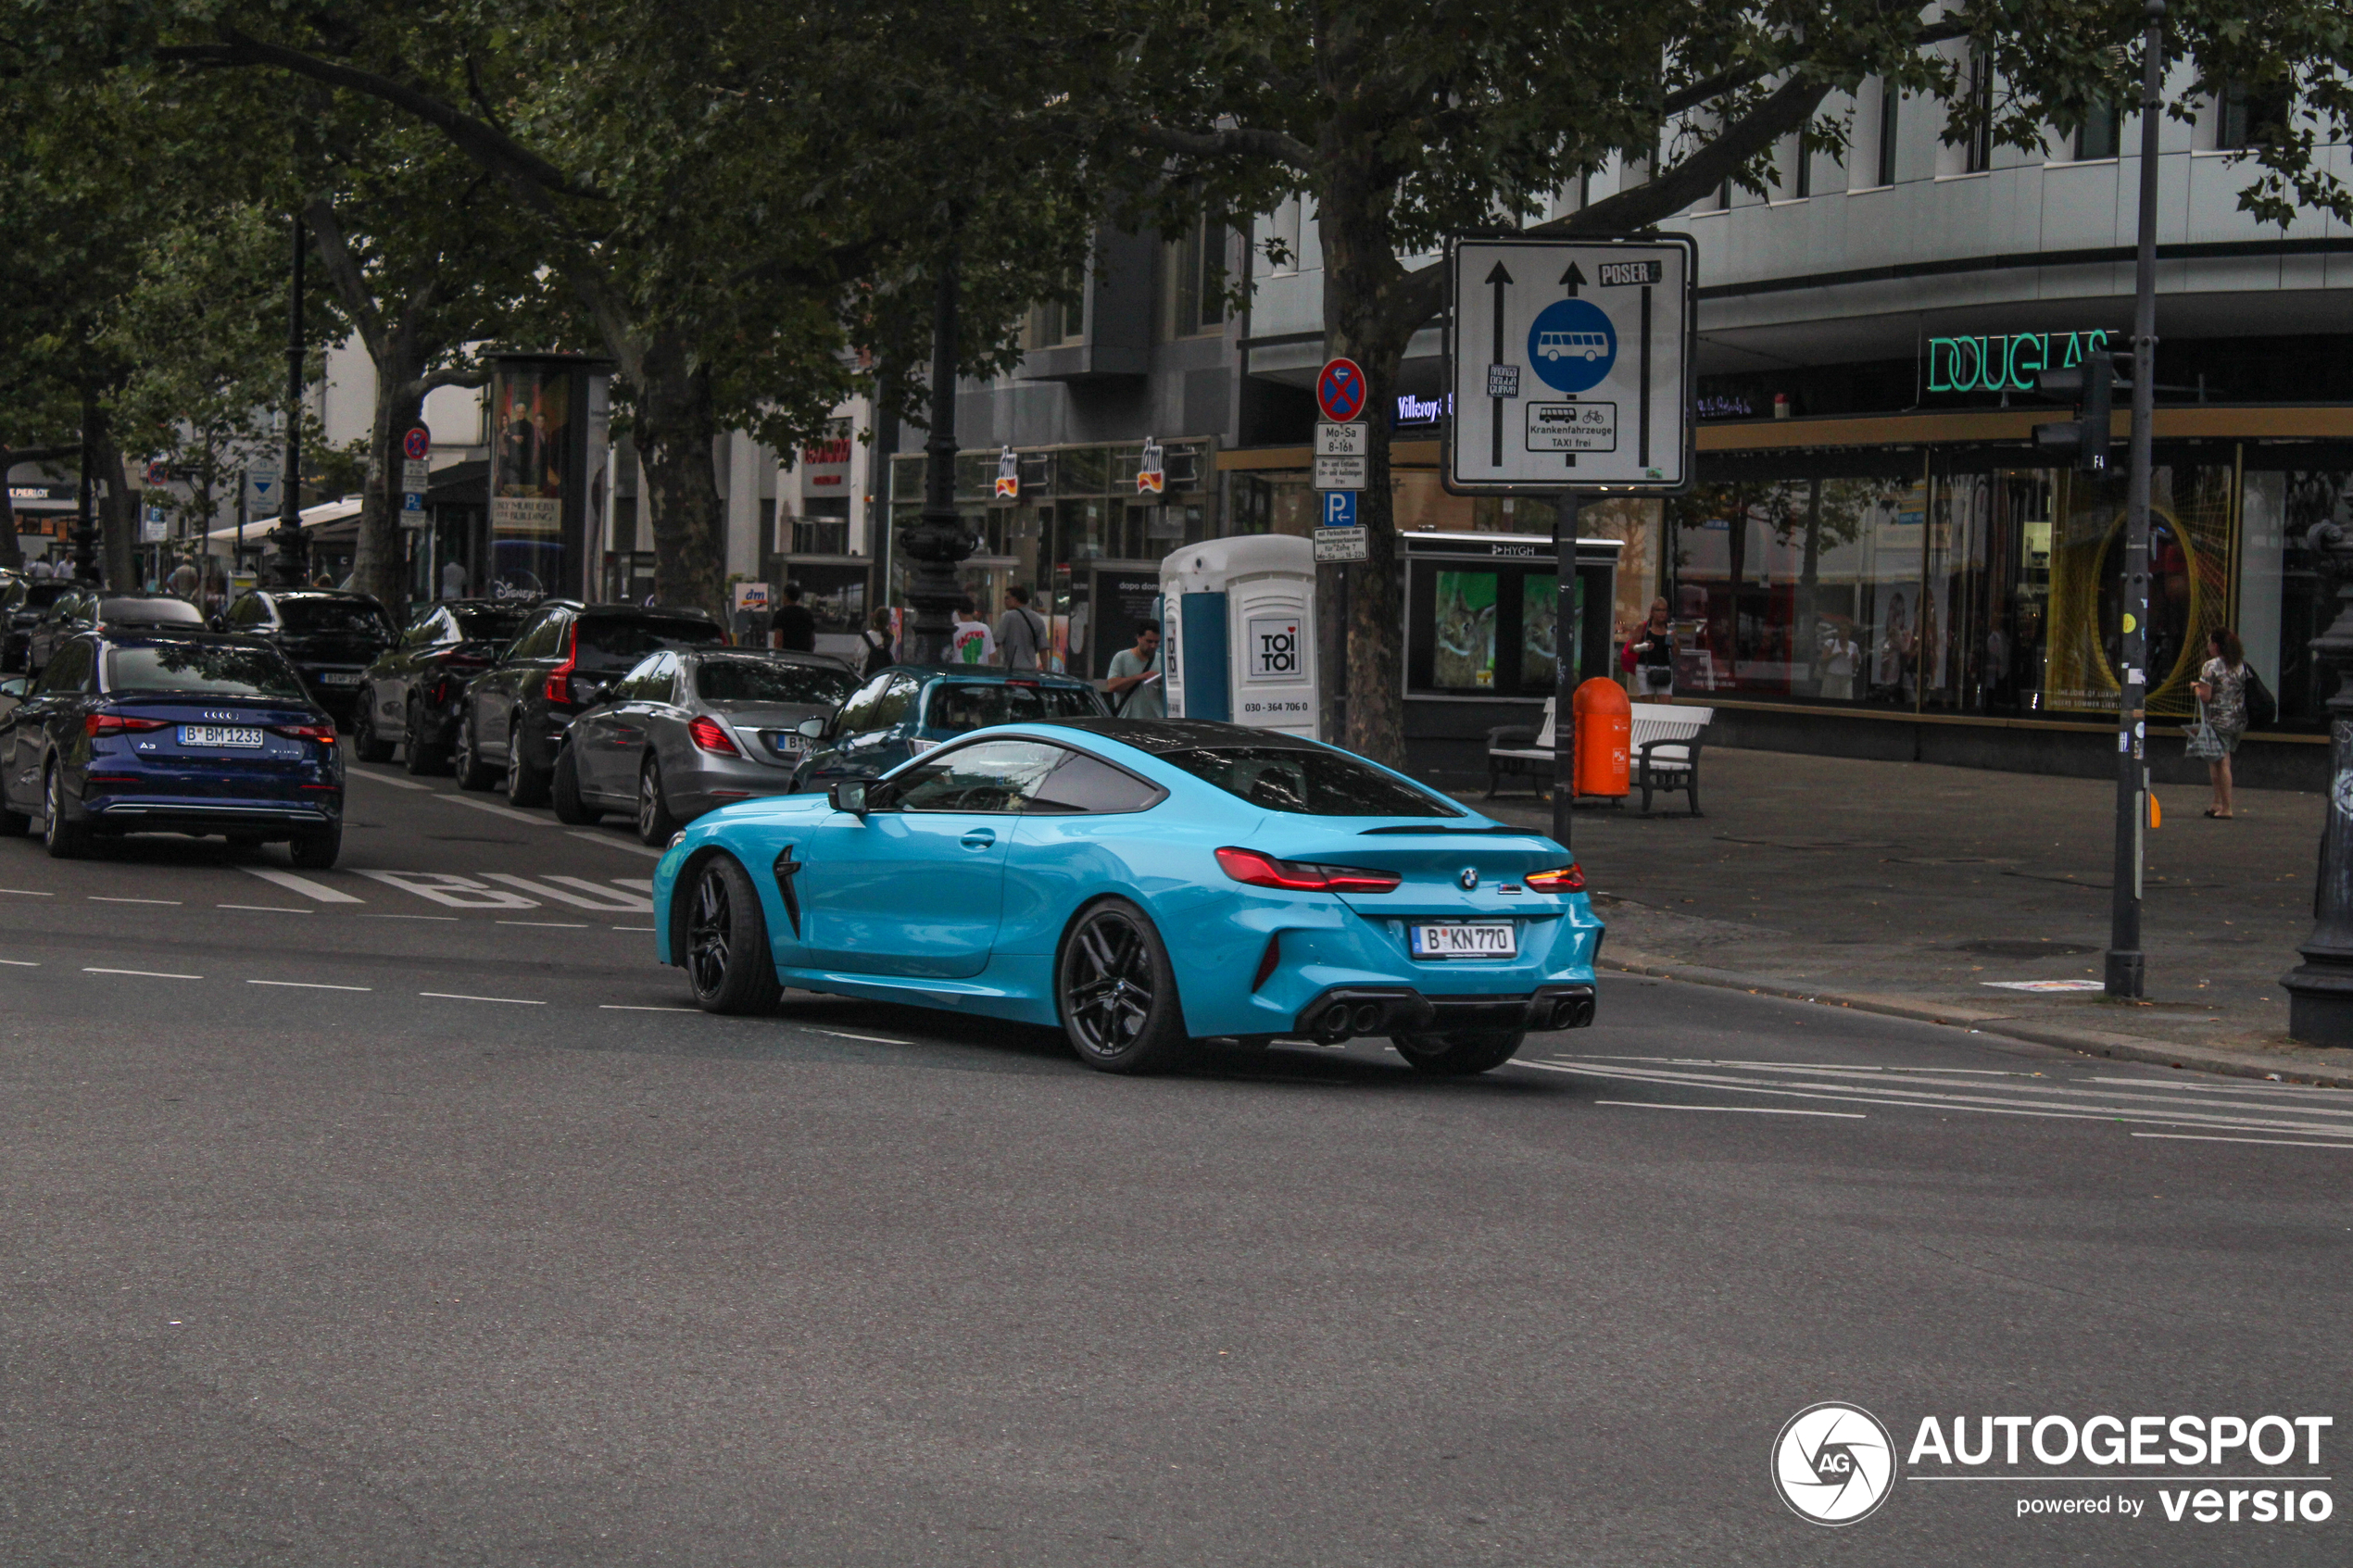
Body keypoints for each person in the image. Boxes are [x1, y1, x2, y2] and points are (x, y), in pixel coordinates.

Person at [2192, 626, 2250, 820]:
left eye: (2209, 642)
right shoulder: (2240, 664)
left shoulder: (2211, 666)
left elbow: (2206, 696)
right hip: (2238, 719)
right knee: (2216, 760)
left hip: (2218, 719)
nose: (2208, 646)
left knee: (2222, 761)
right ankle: (2217, 802)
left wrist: (2196, 689)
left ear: (2215, 645)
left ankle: (2226, 807)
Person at [1106, 623, 1164, 719]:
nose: (1153, 646)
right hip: (1127, 719)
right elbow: (1112, 686)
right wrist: (1141, 677)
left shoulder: (1162, 660)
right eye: (1149, 641)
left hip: (1155, 719)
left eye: (1156, 642)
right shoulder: (1122, 657)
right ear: (1139, 638)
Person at [1623, 597, 1675, 698]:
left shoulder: (1670, 628)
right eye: (1658, 610)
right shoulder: (1643, 627)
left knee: (1666, 704)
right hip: (1645, 668)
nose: (1662, 613)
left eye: (1664, 610)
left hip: (1664, 668)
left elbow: (1676, 653)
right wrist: (1643, 647)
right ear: (1652, 612)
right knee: (1648, 703)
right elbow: (1631, 648)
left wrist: (1674, 641)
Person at [995, 584, 1050, 671]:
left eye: (1007, 598)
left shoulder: (1007, 616)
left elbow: (996, 642)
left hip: (1011, 670)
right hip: (1030, 670)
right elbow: (1043, 649)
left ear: (1015, 599)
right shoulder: (1037, 618)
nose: (1004, 601)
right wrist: (1046, 670)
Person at [1818, 623, 1860, 700]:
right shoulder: (1831, 643)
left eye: (1845, 631)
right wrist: (1837, 654)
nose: (1842, 633)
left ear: (1849, 632)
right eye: (1840, 630)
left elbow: (1855, 666)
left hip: (1846, 679)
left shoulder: (1853, 646)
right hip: (1831, 678)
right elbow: (1822, 660)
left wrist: (1855, 659)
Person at [772, 583, 816, 652]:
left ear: (786, 596)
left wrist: (778, 657)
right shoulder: (807, 614)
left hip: (786, 657)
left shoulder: (781, 614)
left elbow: (778, 640)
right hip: (804, 658)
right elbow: (812, 641)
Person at [950, 599, 995, 665]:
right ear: (973, 611)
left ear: (959, 612)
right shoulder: (985, 628)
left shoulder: (954, 630)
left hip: (960, 672)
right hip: (981, 672)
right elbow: (992, 655)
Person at [858, 608, 895, 678]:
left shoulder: (863, 637)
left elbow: (857, 660)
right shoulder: (891, 639)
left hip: (866, 679)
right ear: (888, 622)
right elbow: (894, 658)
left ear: (874, 619)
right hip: (884, 679)